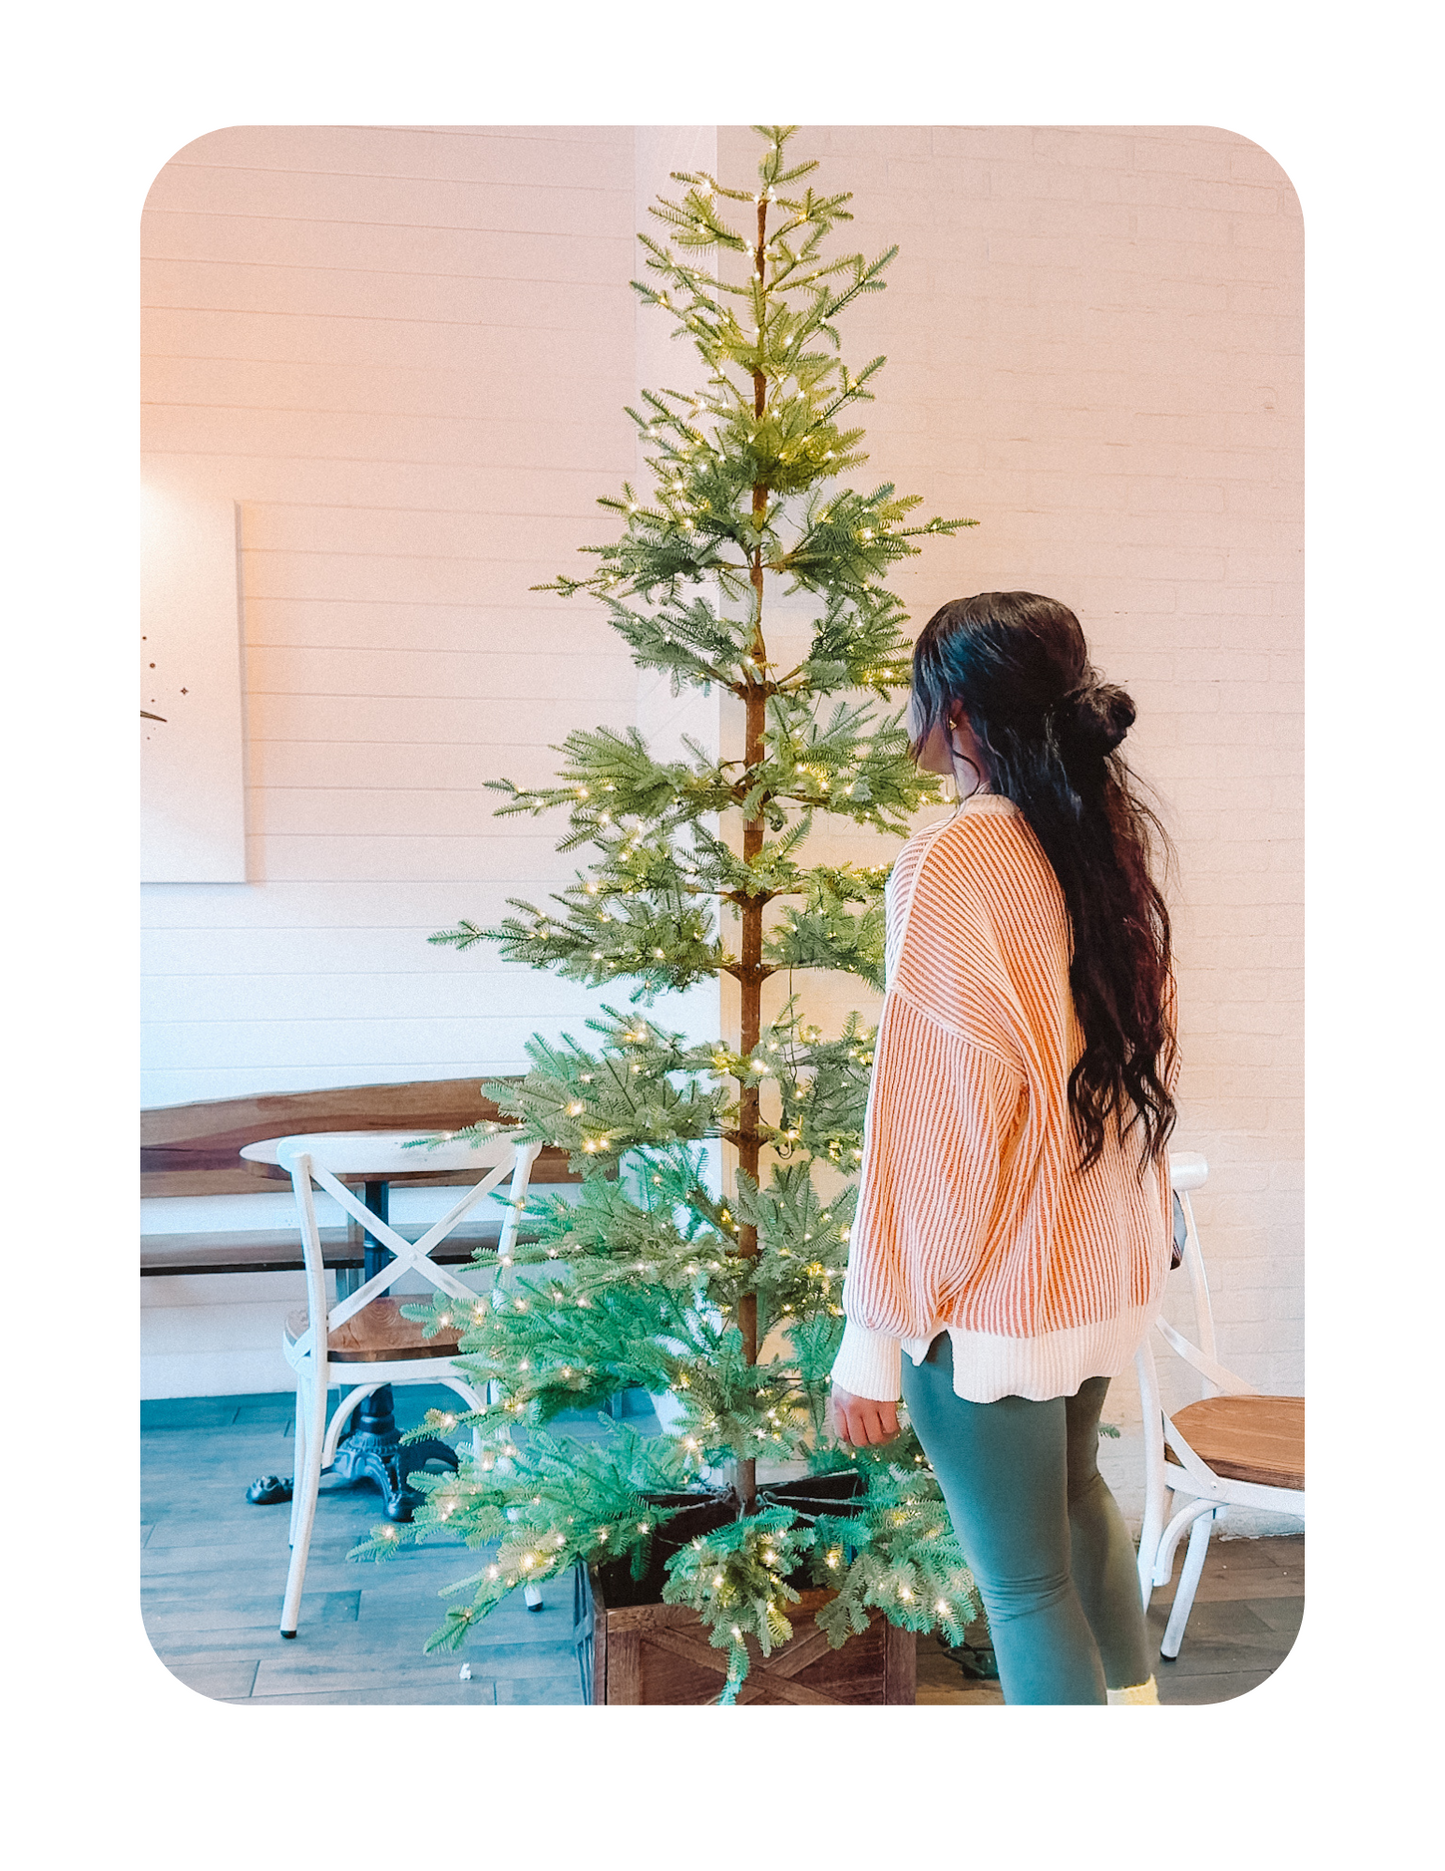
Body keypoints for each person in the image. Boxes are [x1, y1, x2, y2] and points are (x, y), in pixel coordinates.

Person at [829, 590, 1178, 1706]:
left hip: (988, 1298)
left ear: (961, 710)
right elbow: (1141, 1071)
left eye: (919, 692)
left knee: (1023, 1589)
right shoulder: (1098, 841)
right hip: (1092, 1270)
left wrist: (871, 1335)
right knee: (1079, 1508)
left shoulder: (953, 861)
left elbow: (933, 1128)